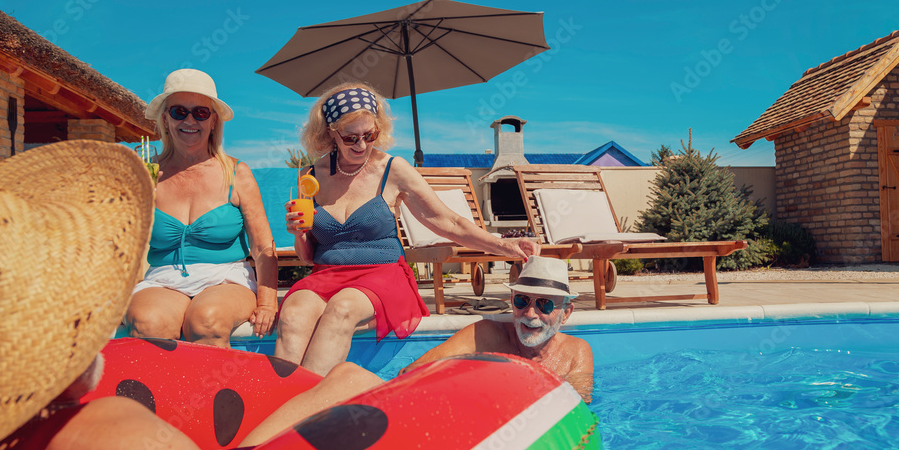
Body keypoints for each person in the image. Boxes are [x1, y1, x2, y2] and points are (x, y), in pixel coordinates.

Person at [0, 141, 471, 450]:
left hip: (336, 285)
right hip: (248, 445)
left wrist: (268, 291)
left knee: (330, 368)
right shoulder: (90, 445)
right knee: (351, 379)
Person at [276, 83, 540, 375]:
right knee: (293, 314)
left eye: (370, 135)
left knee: (341, 310)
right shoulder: (311, 176)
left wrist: (503, 245)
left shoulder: (393, 169)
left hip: (381, 275)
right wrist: (299, 232)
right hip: (325, 275)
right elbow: (307, 257)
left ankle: (306, 412)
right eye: (351, 137)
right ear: (330, 133)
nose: (362, 145)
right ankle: (283, 404)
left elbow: (447, 221)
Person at [125, 69, 278, 348]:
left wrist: (267, 303)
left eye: (201, 113)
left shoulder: (236, 173)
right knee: (149, 322)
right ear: (165, 119)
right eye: (179, 111)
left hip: (226, 278)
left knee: (206, 320)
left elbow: (263, 246)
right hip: (163, 279)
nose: (190, 120)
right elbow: (121, 243)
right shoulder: (147, 174)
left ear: (213, 120)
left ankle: (212, 393)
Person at [402, 256, 593, 402]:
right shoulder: (485, 336)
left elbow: (578, 410)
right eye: (522, 301)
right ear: (511, 301)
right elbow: (411, 372)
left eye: (545, 304)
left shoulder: (575, 353)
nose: (531, 313)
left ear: (566, 313)